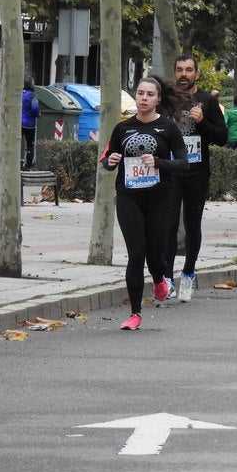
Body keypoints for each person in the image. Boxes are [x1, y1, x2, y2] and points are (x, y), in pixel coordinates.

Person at [100, 77, 189, 330]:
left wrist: (159, 163)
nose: (144, 98)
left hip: (160, 199)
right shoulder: (122, 128)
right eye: (140, 93)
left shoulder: (168, 128)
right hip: (129, 196)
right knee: (136, 253)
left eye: (150, 94)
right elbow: (106, 161)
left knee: (155, 256)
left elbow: (184, 164)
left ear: (158, 99)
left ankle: (160, 278)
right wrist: (112, 161)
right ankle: (135, 313)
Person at [163, 54, 229, 302]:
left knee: (192, 225)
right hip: (172, 172)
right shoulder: (166, 100)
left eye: (189, 70)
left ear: (197, 75)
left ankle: (188, 273)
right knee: (168, 225)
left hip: (197, 173)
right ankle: (167, 278)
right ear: (174, 73)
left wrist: (202, 124)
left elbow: (223, 137)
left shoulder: (207, 101)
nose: (183, 74)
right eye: (179, 69)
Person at [20, 76, 40, 170]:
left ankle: (18, 163)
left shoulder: (19, 94)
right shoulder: (32, 95)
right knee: (29, 145)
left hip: (19, 123)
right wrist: (37, 114)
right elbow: (35, 108)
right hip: (29, 124)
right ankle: (28, 166)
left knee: (18, 143)